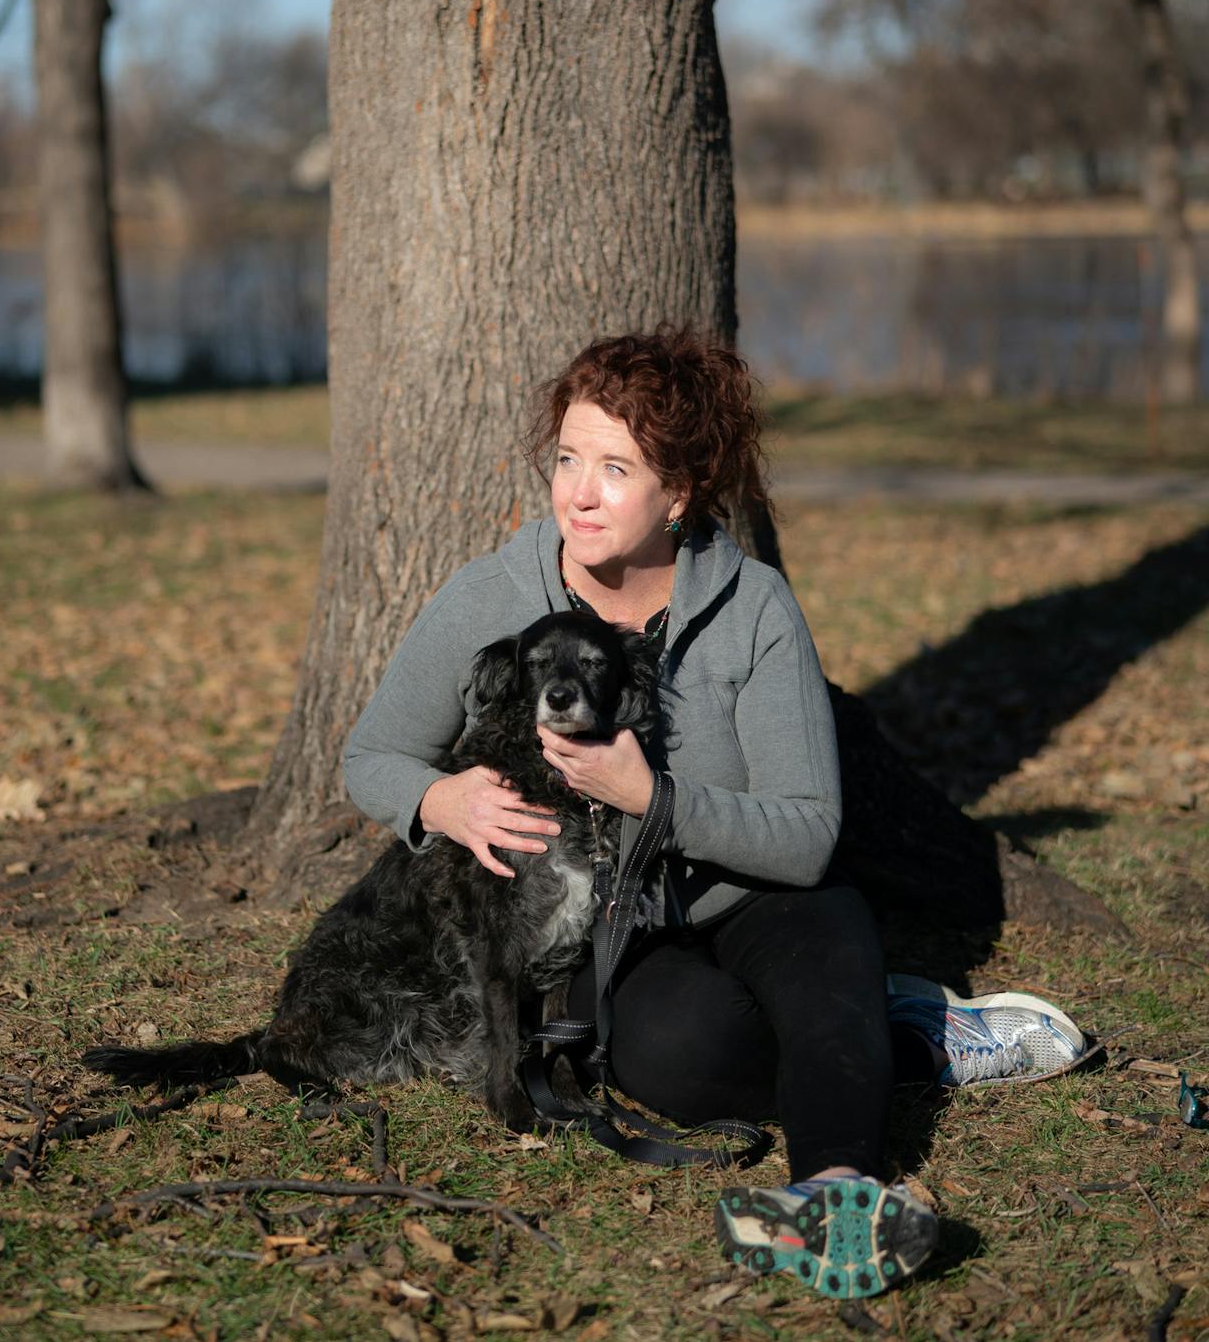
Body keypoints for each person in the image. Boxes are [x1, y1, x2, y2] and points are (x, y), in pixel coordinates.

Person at [343, 327, 1084, 1301]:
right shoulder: (493, 596)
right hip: (608, 934)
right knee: (684, 1062)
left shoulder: (749, 606)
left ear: (680, 492)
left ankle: (833, 1198)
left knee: (821, 970)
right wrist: (440, 796)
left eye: (615, 467)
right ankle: (904, 1037)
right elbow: (370, 755)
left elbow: (806, 830)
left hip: (760, 891)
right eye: (567, 457)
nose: (578, 490)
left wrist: (646, 796)